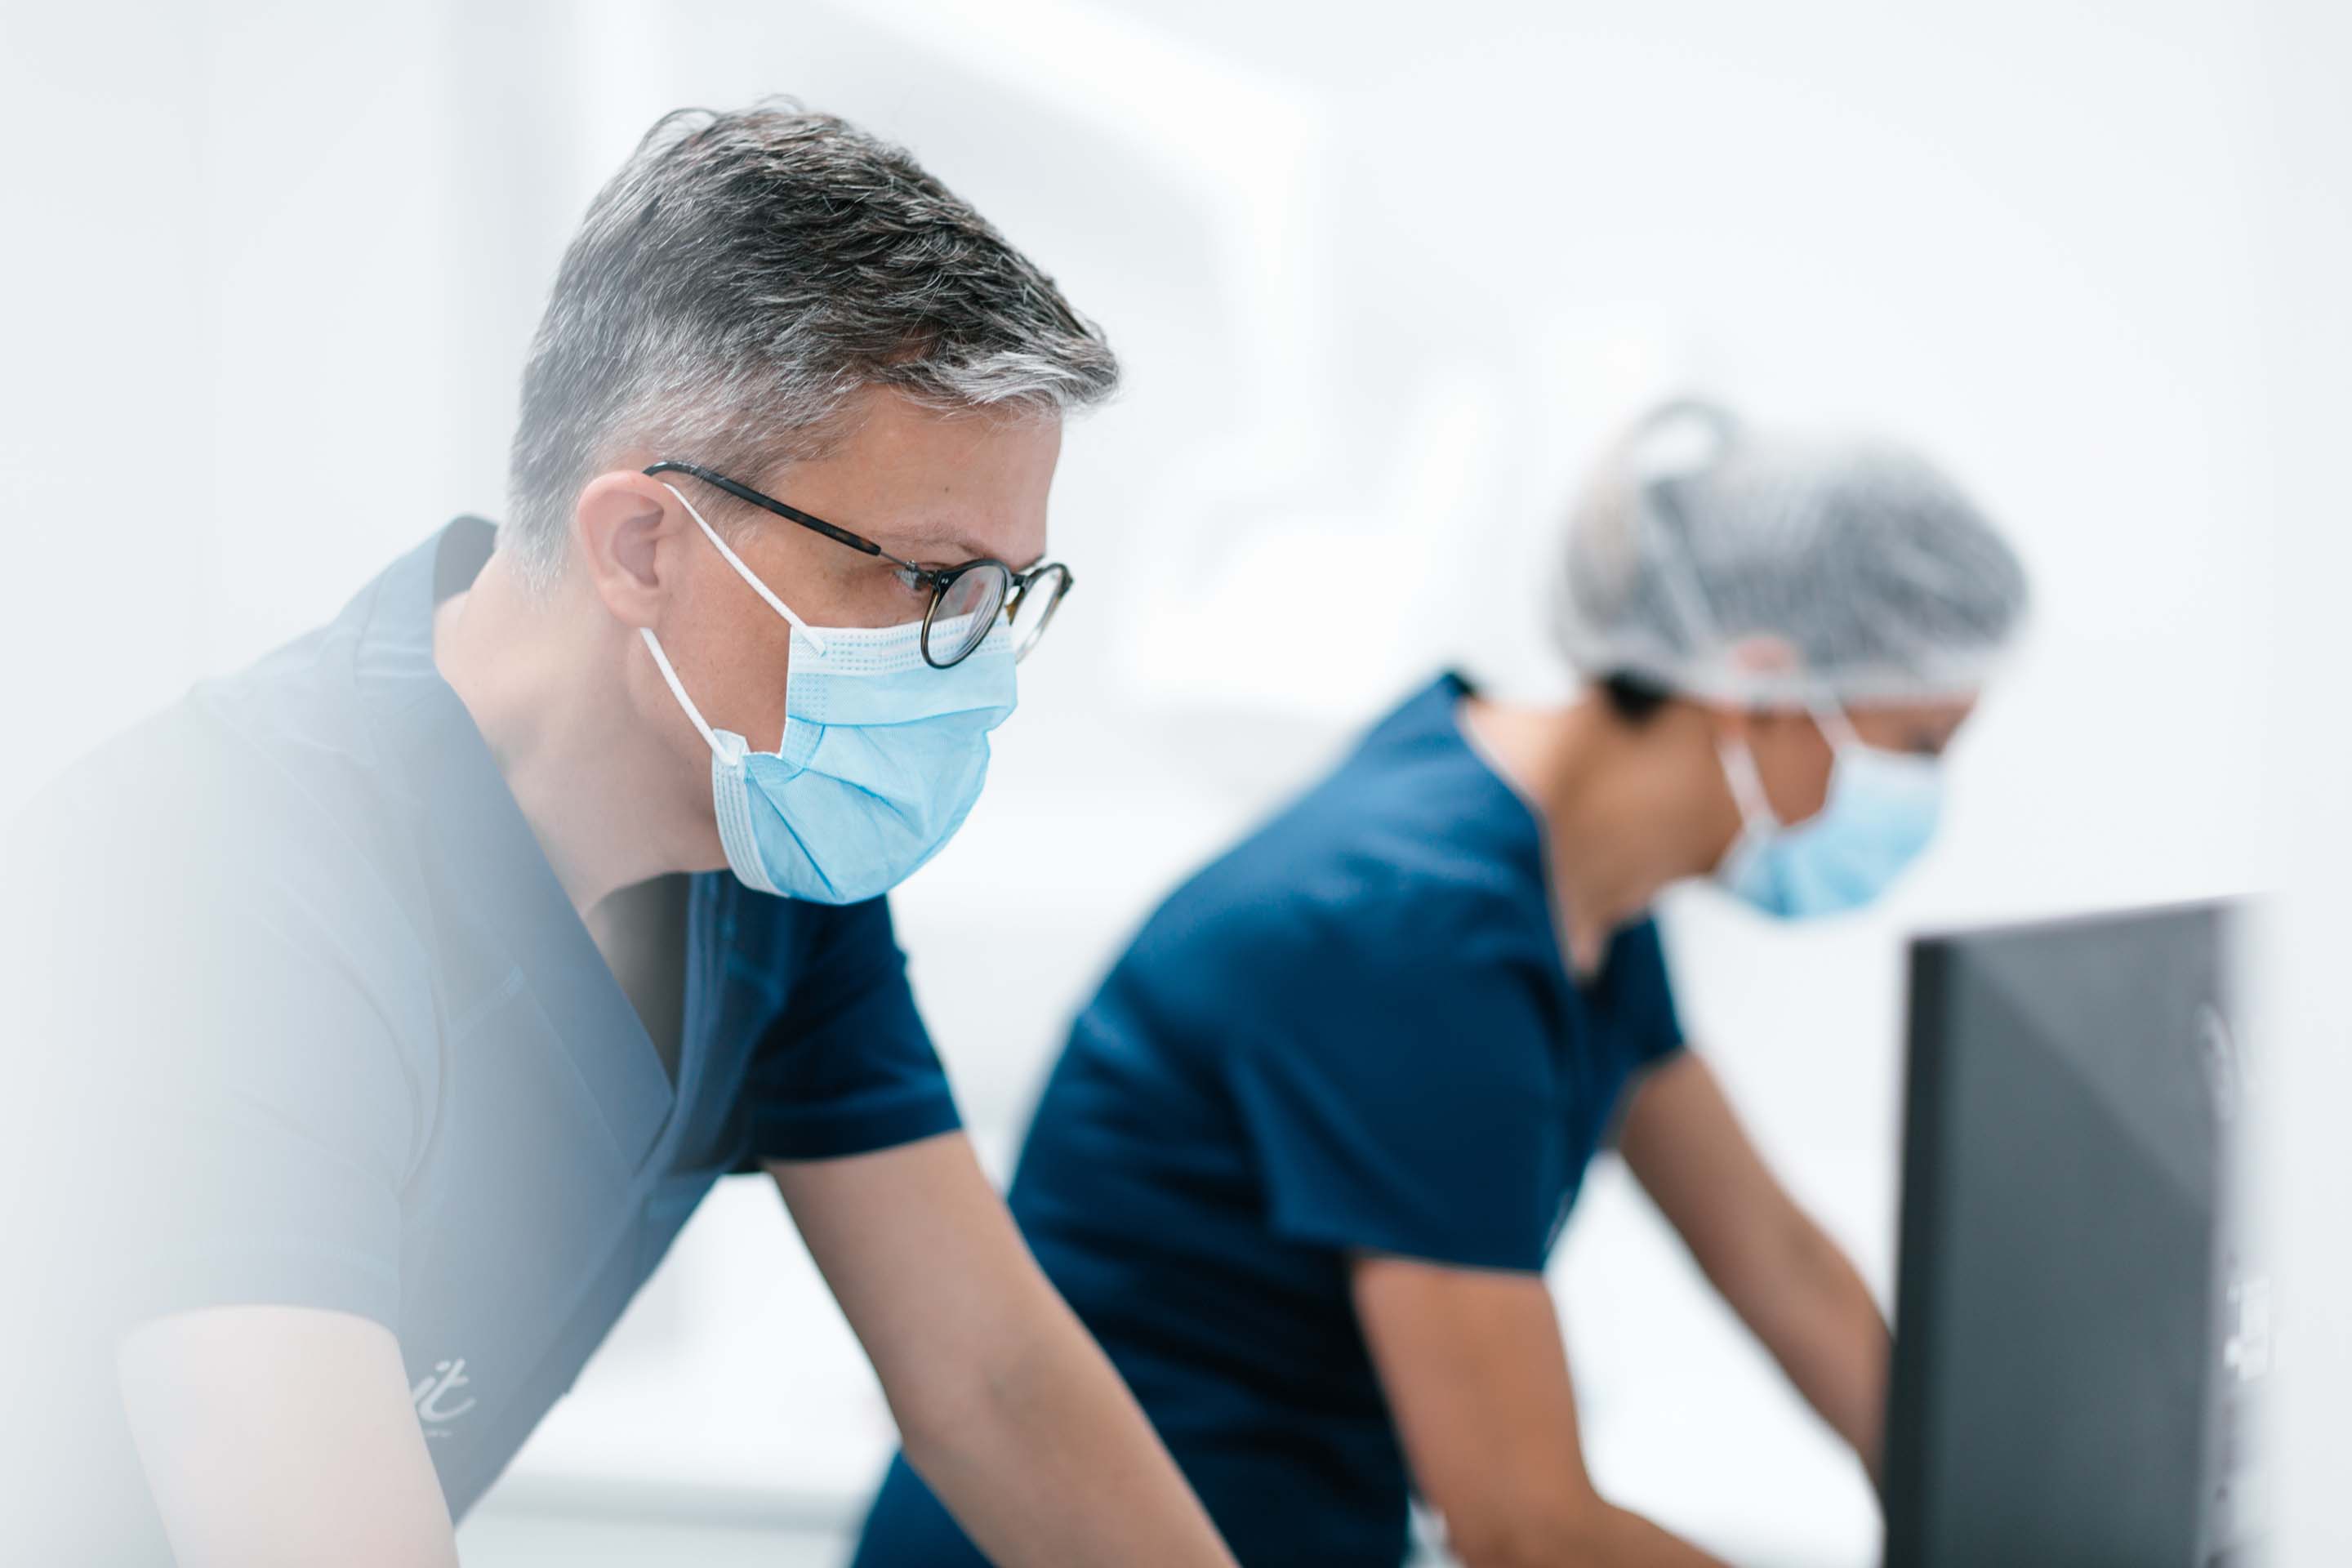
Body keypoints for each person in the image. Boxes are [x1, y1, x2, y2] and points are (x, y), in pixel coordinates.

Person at [0, 102, 1240, 1566]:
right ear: (646, 547)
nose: (972, 665)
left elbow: (995, 1381)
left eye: (1004, 598)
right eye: (929, 581)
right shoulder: (216, 890)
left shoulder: (767, 844)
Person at [852, 398, 2033, 1566]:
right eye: (1919, 745)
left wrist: (1991, 1511)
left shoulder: (1574, 882)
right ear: (1763, 683)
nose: (1925, 795)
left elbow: (1777, 1261)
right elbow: (1522, 1525)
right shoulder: (1410, 930)